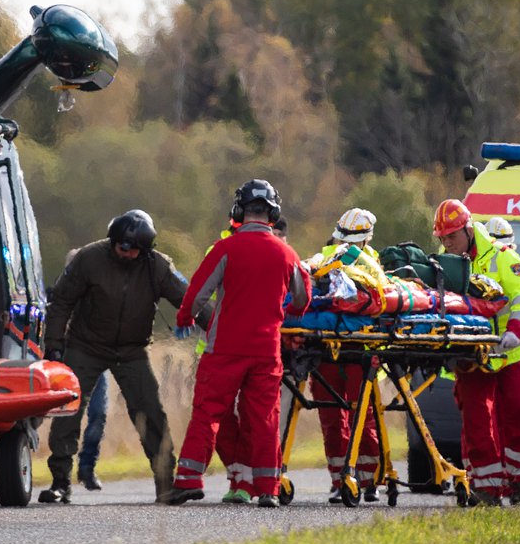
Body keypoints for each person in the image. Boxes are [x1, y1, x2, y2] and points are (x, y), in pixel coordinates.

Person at [164, 180, 309, 507]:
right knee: (265, 419)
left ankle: (188, 479)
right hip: (266, 352)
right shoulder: (288, 254)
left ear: (239, 212)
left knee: (207, 412)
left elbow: (197, 294)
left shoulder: (225, 249)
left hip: (224, 349)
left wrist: (185, 318)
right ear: (273, 214)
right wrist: (287, 310)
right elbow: (302, 299)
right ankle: (268, 489)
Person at [39, 209, 189, 504]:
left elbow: (187, 298)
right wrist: (54, 345)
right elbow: (62, 301)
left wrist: (220, 328)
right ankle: (60, 482)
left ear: (145, 250)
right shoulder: (89, 258)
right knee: (69, 410)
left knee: (150, 411)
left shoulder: (157, 267)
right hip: (85, 346)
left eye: (132, 249)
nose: (125, 252)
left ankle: (165, 484)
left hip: (131, 351)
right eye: (120, 246)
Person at [433, 199, 520, 506]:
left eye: (451, 236)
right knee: (477, 419)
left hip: (510, 352)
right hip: (472, 353)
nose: (446, 243)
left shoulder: (502, 257)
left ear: (468, 230)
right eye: (442, 238)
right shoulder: (445, 262)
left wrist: (514, 333)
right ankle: (486, 487)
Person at [305, 207, 385, 503]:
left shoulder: (327, 257)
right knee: (350, 415)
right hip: (343, 347)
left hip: (345, 348)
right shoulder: (352, 259)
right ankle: (350, 479)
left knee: (351, 415)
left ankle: (361, 479)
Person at [62, 247, 111, 492]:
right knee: (68, 418)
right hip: (68, 365)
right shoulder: (61, 297)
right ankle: (62, 473)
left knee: (99, 414)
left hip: (97, 362)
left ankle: (87, 468)